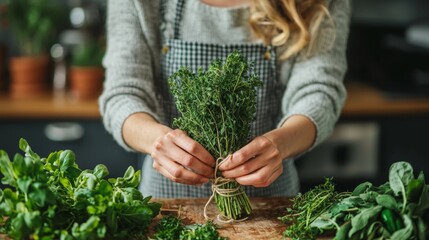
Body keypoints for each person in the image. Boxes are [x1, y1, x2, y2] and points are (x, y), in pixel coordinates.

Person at [99, 0, 350, 198]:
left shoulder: (313, 2)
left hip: (271, 205)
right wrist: (157, 140)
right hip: (168, 204)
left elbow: (319, 91)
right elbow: (124, 93)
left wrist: (280, 144)